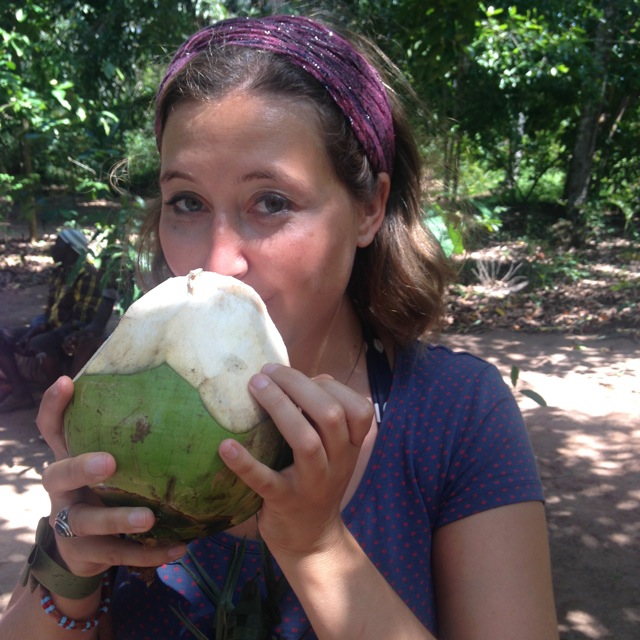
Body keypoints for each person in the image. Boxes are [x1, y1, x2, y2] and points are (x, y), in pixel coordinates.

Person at [0, 14, 559, 639]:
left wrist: (316, 545)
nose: (218, 262)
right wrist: (71, 563)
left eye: (271, 202)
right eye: (187, 203)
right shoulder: (124, 405)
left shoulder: (457, 416)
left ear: (369, 208)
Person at [0, 228, 117, 414]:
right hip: (54, 328)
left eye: (57, 245)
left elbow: (82, 320)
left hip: (70, 332)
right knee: (3, 336)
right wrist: (33, 330)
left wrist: (40, 336)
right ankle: (20, 392)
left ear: (70, 250)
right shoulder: (61, 272)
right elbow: (50, 314)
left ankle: (60, 401)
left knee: (41, 344)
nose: (52, 249)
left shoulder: (87, 275)